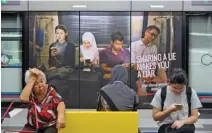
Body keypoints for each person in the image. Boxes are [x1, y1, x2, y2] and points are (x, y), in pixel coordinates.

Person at [150, 68, 202, 133]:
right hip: (166, 125)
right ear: (170, 83)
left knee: (184, 130)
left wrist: (182, 122)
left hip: (185, 124)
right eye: (174, 88)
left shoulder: (190, 92)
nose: (178, 90)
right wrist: (168, 111)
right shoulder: (161, 93)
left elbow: (194, 117)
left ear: (185, 84)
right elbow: (155, 117)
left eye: (181, 88)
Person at [19, 68, 66, 133]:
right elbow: (22, 98)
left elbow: (60, 102)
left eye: (41, 81)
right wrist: (32, 79)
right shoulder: (30, 92)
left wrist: (61, 116)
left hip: (49, 125)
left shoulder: (50, 90)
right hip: (32, 125)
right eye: (36, 84)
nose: (40, 85)